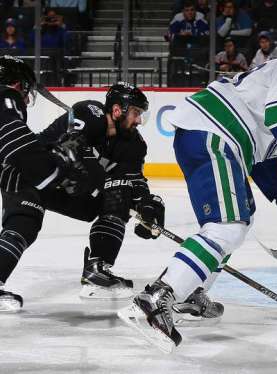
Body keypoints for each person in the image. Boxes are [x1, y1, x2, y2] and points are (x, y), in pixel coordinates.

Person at [118, 22, 277, 352]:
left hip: (207, 135)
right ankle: (158, 297)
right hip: (216, 135)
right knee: (227, 226)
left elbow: (264, 157)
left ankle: (189, 294)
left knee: (240, 219)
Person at [0, 76, 166, 311]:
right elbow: (72, 146)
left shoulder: (134, 144)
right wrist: (99, 179)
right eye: (136, 113)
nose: (139, 120)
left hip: (71, 188)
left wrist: (147, 205)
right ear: (118, 110)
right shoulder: (91, 112)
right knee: (24, 226)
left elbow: (133, 179)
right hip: (34, 175)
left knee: (121, 194)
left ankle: (97, 270)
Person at [0, 55, 88, 311]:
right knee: (24, 219)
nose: (27, 98)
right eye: (26, 90)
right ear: (17, 84)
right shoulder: (6, 96)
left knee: (23, 220)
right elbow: (14, 142)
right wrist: (56, 169)